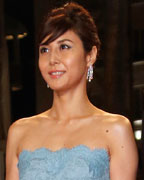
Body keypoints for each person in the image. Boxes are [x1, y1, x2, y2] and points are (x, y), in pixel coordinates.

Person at [6, 2, 138, 180]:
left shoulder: (116, 130)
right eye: (45, 50)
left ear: (90, 55)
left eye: (64, 47)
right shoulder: (20, 132)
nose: (52, 59)